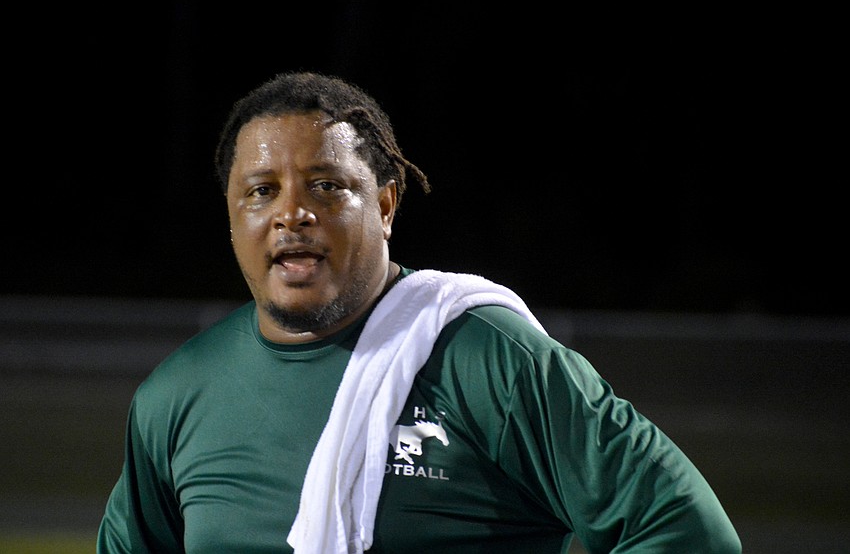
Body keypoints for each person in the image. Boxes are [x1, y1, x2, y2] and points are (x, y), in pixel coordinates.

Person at [97, 71, 742, 553]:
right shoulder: (176, 395)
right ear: (233, 218)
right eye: (262, 192)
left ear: (384, 206)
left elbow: (686, 530)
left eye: (326, 186)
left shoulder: (489, 359)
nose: (293, 213)